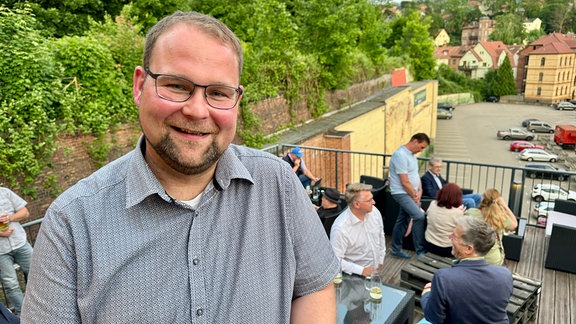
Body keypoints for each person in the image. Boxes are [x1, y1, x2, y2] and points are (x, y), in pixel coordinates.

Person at [21, 11, 339, 323]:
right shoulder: (71, 226)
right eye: (176, 85)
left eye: (218, 92)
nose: (197, 110)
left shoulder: (278, 183)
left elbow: (313, 287)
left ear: (237, 102)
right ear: (139, 85)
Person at [420, 216, 513, 323]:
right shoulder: (505, 274)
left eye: (454, 236)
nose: (449, 237)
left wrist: (427, 294)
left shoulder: (443, 278)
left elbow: (433, 318)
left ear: (469, 249)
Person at [389, 133, 430, 259]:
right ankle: (420, 251)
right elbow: (404, 181)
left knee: (403, 220)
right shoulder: (400, 155)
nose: (421, 150)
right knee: (419, 216)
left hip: (410, 193)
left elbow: (415, 175)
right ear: (415, 141)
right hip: (401, 193)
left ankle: (395, 249)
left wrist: (419, 190)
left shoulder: (411, 156)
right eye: (421, 147)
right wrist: (414, 195)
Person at [330, 183, 385, 277]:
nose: (374, 202)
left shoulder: (374, 212)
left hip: (375, 272)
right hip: (353, 276)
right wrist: (362, 270)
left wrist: (380, 261)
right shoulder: (340, 228)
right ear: (357, 204)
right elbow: (335, 260)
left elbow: (381, 237)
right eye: (369, 200)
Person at [0, 187, 33, 316]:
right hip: (1, 252)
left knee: (37, 273)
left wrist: (10, 217)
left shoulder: (5, 192)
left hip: (20, 242)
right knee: (11, 284)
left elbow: (25, 212)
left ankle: (42, 306)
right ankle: (23, 315)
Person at [465, 188, 518, 266]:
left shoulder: (471, 213)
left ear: (483, 199)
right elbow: (515, 224)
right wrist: (505, 206)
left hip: (474, 257)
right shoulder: (501, 217)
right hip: (494, 260)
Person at [424, 183, 466, 258]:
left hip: (429, 245)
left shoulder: (432, 204)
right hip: (447, 249)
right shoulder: (457, 212)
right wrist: (462, 213)